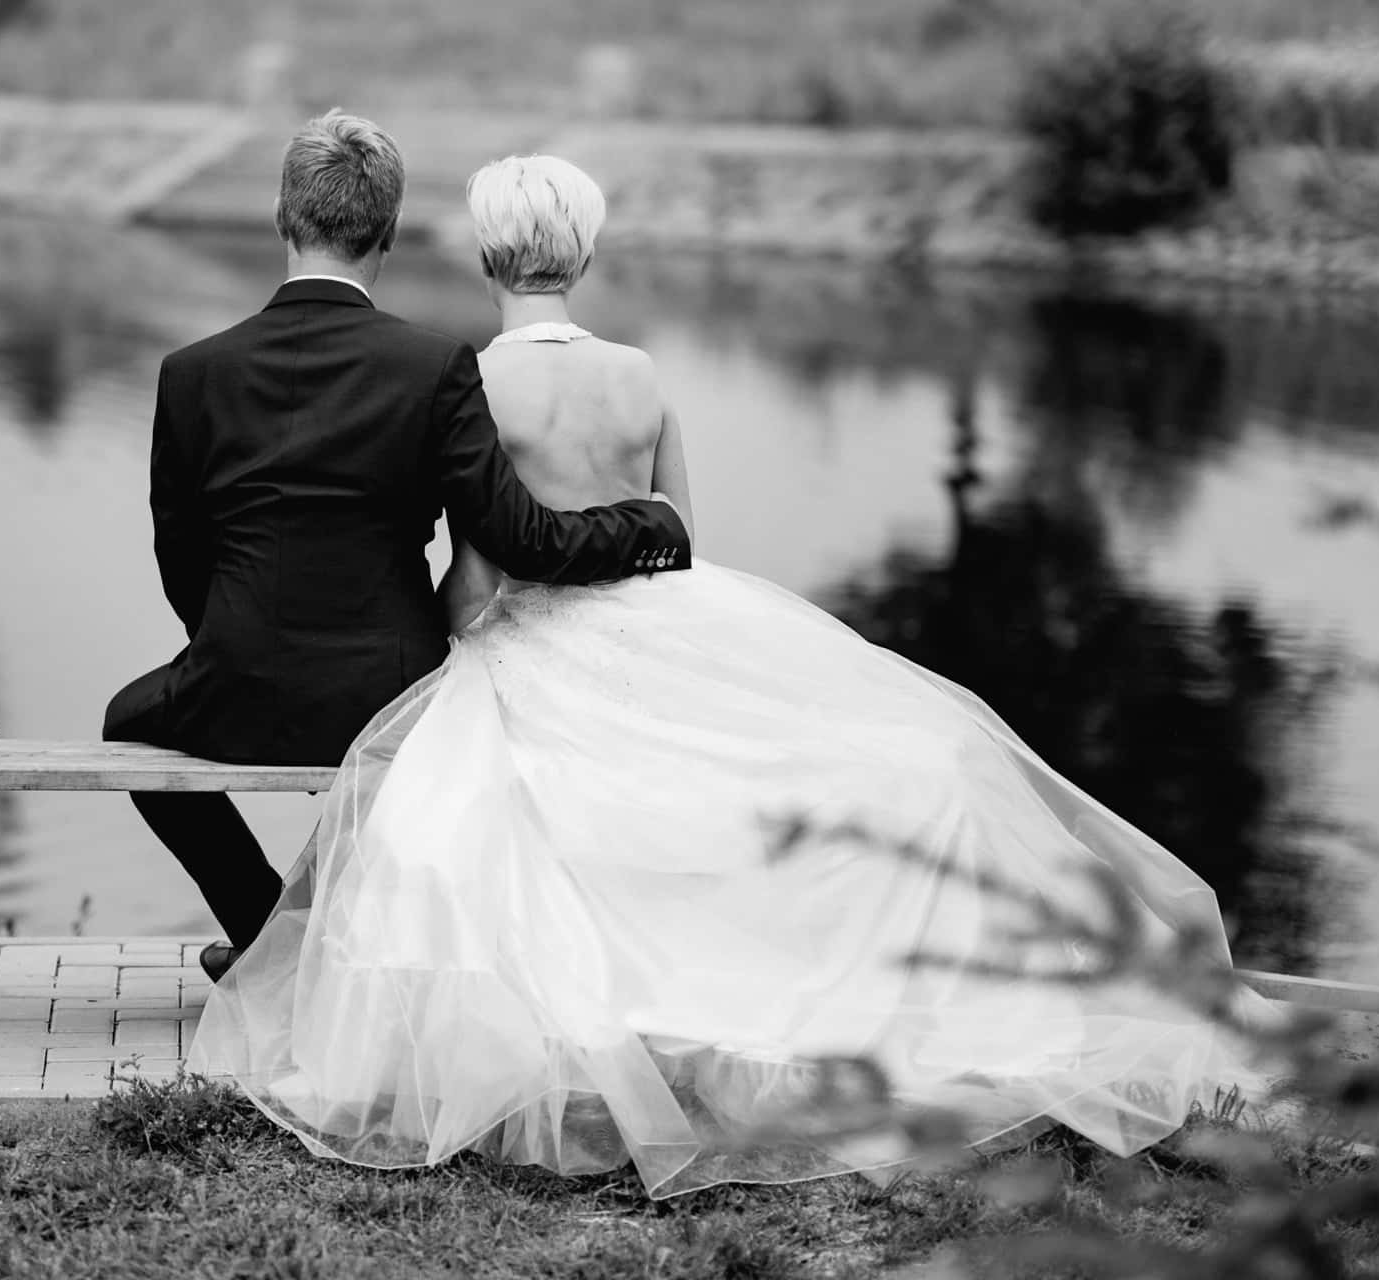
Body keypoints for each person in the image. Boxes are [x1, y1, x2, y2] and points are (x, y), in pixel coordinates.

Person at [186, 154, 1277, 1197]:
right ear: (584, 254)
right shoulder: (640, 376)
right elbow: (677, 537)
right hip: (661, 622)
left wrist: (444, 648)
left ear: (485, 258)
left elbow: (477, 580)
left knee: (473, 809)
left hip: (531, 633)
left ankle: (597, 1021)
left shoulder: (472, 379)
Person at [103, 116, 692, 981]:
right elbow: (522, 539)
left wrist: (230, 645)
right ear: (387, 233)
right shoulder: (434, 367)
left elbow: (180, 556)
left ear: (281, 217)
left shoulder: (193, 372)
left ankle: (264, 933)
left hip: (235, 680)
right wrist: (653, 525)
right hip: (393, 693)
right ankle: (288, 941)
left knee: (125, 725)